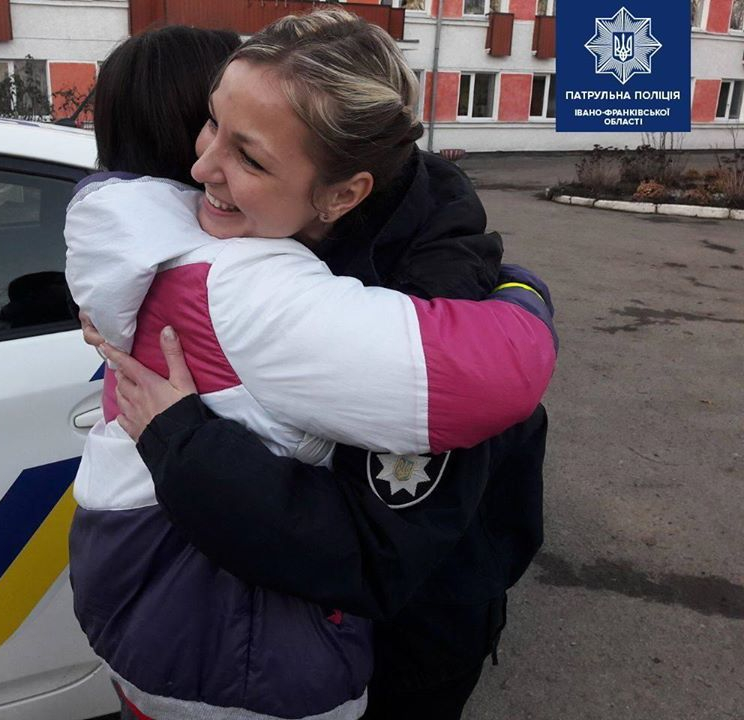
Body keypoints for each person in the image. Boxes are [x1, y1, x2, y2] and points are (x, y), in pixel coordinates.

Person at [68, 13, 556, 720]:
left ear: (342, 194)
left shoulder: (428, 296)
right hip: (292, 639)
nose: (200, 169)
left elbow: (375, 552)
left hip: (411, 641)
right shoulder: (271, 238)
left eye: (250, 156)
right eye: (211, 123)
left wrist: (181, 439)